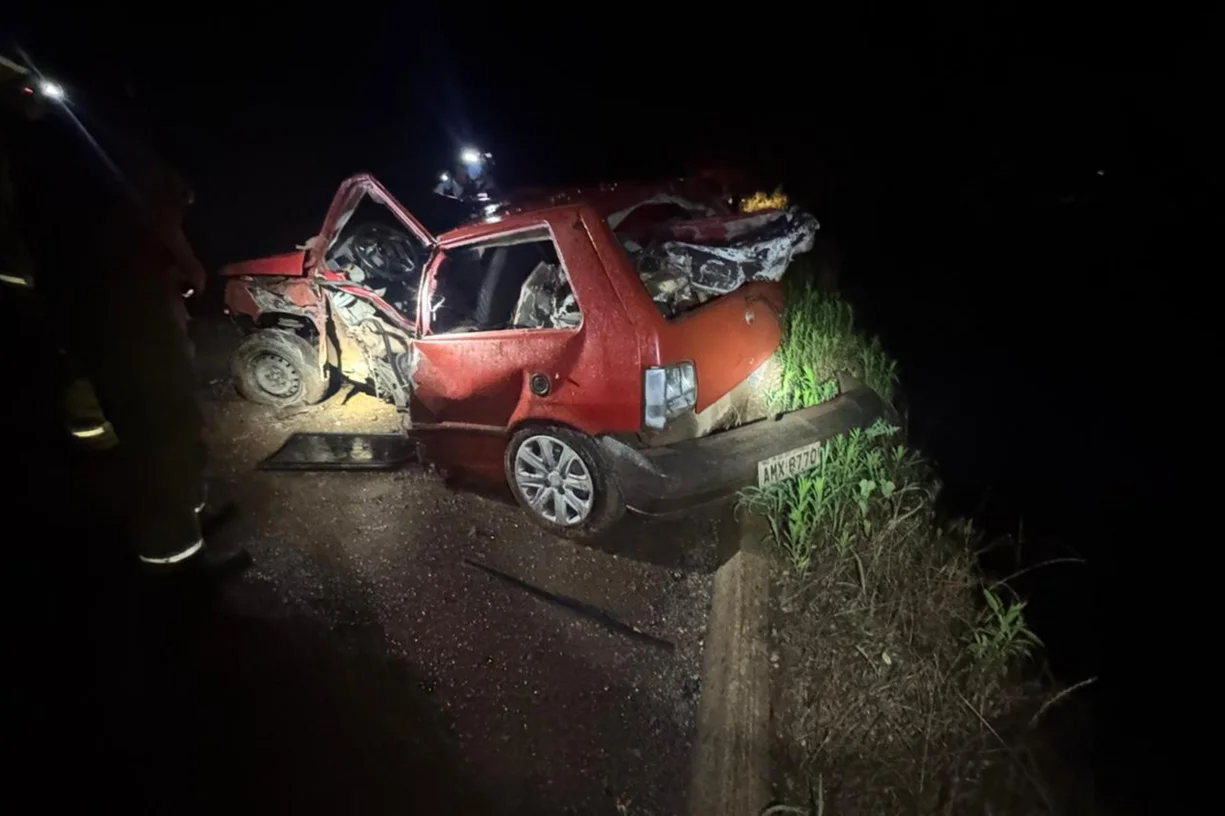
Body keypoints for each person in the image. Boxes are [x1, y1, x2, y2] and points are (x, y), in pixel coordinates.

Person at [1, 61, 248, 582]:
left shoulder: (44, 157)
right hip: (126, 312)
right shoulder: (106, 156)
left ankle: (184, 511)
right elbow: (156, 218)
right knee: (162, 432)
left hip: (91, 308)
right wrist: (187, 267)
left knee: (151, 426)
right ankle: (178, 563)